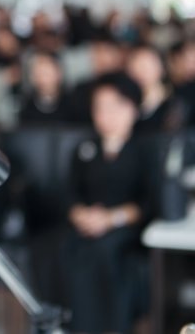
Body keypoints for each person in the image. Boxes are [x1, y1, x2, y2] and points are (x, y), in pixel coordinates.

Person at [66, 72, 154, 333]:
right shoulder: (85, 148)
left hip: (125, 229)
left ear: (134, 109)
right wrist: (79, 214)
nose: (107, 115)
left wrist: (111, 219)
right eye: (100, 107)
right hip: (86, 225)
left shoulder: (145, 150)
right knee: (64, 247)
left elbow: (148, 202)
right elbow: (70, 193)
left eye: (116, 106)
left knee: (105, 251)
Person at [126, 44, 185, 133]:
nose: (141, 71)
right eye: (136, 65)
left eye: (147, 65)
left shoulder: (175, 103)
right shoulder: (125, 102)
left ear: (162, 68)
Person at [20, 51, 71, 124]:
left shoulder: (72, 105)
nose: (44, 79)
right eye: (39, 73)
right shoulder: (25, 106)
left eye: (47, 73)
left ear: (59, 74)